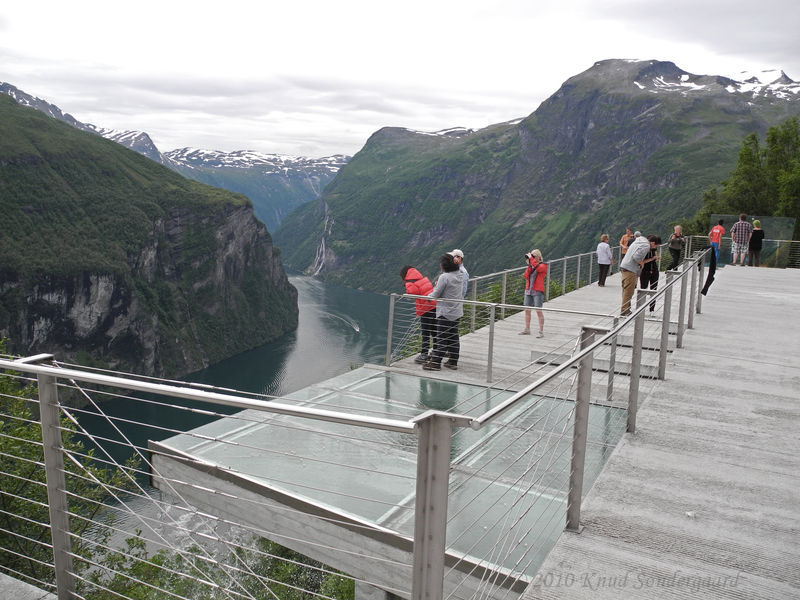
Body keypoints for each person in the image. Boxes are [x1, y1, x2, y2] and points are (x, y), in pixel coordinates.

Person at [423, 254, 464, 371]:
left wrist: (427, 296)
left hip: (445, 312)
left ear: (444, 266)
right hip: (456, 311)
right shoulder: (460, 274)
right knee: (453, 337)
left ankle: (435, 362)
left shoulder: (444, 277)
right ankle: (453, 361)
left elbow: (435, 295)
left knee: (441, 337)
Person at [400, 266, 436, 364]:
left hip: (425, 309)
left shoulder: (411, 282)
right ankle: (437, 350)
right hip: (433, 306)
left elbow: (412, 292)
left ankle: (424, 354)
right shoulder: (423, 279)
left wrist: (406, 284)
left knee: (425, 332)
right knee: (434, 330)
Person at [619, 233, 651, 316]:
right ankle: (624, 311)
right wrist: (641, 263)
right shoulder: (645, 246)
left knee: (626, 290)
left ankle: (627, 309)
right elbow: (636, 257)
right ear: (653, 243)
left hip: (625, 266)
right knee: (628, 291)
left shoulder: (637, 242)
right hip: (630, 269)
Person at [519, 249, 548, 337]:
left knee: (538, 311)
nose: (532, 258)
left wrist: (532, 261)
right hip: (528, 290)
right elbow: (526, 276)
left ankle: (541, 332)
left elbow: (539, 269)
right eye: (531, 256)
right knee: (527, 310)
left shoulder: (543, 265)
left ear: (539, 257)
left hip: (537, 291)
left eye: (534, 256)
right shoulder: (531, 266)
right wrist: (529, 265)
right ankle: (527, 329)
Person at [639, 235, 661, 312]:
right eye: (655, 245)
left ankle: (652, 309)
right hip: (645, 270)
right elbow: (642, 261)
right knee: (643, 289)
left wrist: (656, 257)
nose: (655, 247)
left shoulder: (654, 249)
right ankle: (641, 308)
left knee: (654, 290)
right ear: (652, 243)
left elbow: (655, 254)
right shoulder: (644, 249)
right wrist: (652, 259)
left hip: (654, 270)